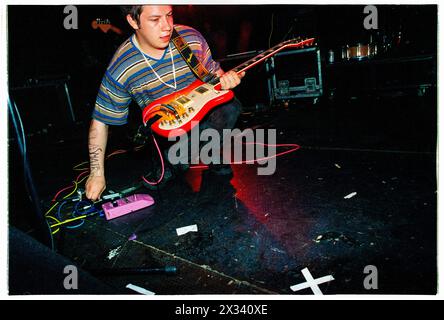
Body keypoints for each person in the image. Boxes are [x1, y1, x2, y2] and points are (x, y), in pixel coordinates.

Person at [85, 5, 245, 201]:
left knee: (230, 106)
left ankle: (188, 156)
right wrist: (96, 174)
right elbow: (100, 121)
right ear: (133, 21)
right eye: (154, 19)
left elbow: (214, 76)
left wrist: (226, 80)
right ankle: (172, 159)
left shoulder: (190, 38)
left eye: (169, 15)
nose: (167, 26)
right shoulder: (122, 67)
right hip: (164, 131)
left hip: (201, 116)